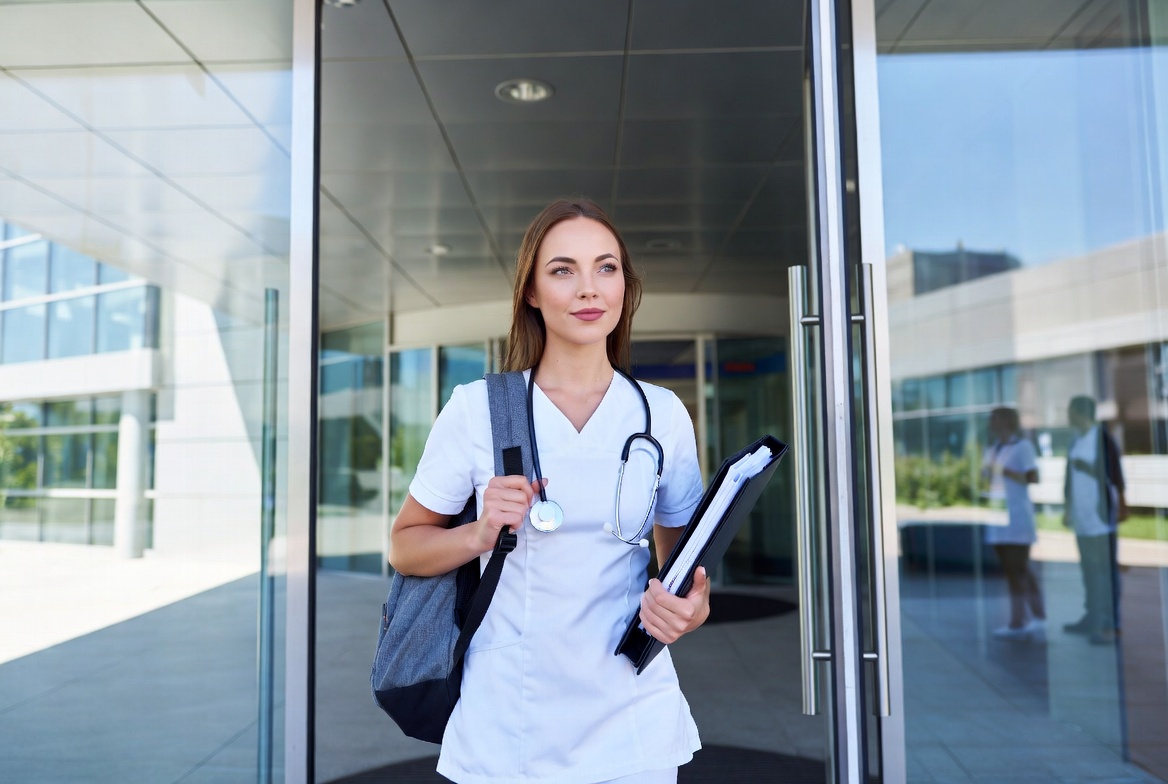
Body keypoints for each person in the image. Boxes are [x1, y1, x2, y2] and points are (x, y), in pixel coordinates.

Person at [389, 198, 710, 783]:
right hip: (509, 723)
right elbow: (405, 547)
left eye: (606, 267)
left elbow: (686, 570)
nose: (589, 288)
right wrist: (480, 532)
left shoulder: (660, 415)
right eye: (563, 270)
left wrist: (690, 609)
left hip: (631, 717)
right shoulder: (477, 410)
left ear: (624, 285)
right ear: (531, 292)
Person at [1062, 395, 1127, 645]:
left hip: (1100, 516)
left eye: (1070, 411)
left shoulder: (1102, 439)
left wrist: (1122, 505)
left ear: (1079, 412)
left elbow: (1114, 474)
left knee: (1104, 570)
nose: (1067, 416)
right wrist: (1068, 508)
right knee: (1088, 569)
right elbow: (1068, 478)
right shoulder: (1076, 440)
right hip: (1082, 516)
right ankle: (1091, 617)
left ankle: (1109, 623)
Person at [981, 407, 1046, 641]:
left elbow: (1033, 478)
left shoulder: (1023, 447)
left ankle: (1019, 620)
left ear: (1006, 421)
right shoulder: (992, 449)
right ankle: (1038, 615)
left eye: (994, 418)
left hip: (1018, 518)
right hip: (998, 518)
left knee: (1017, 570)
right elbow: (986, 481)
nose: (990, 422)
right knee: (1016, 570)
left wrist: (1002, 470)